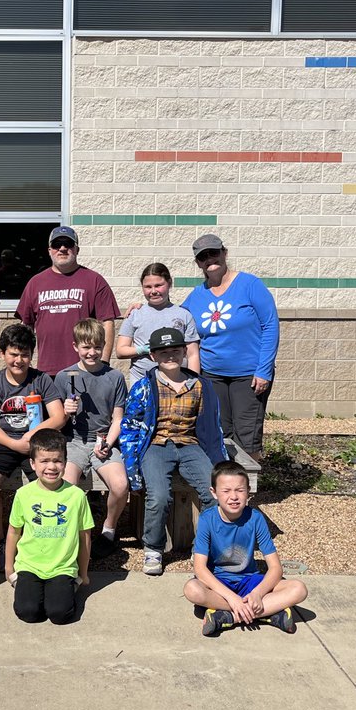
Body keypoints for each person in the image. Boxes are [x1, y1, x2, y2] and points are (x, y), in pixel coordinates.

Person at [119, 327, 227, 577]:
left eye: (176, 351)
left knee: (214, 493)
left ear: (184, 352)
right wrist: (133, 468)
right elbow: (130, 427)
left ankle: (204, 546)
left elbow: (213, 427)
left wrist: (221, 462)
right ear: (154, 356)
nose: (170, 356)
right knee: (158, 496)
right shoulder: (144, 387)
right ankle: (153, 548)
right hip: (156, 446)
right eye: (163, 352)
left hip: (190, 445)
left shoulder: (201, 386)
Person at [181, 234, 279, 462]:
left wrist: (263, 370)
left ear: (224, 253)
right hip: (212, 375)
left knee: (247, 435)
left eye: (214, 253)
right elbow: (176, 317)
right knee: (220, 433)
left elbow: (270, 325)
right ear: (198, 263)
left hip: (249, 376)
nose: (210, 259)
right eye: (203, 257)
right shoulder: (197, 295)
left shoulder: (249, 285)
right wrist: (144, 307)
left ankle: (246, 489)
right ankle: (226, 488)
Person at [0, 323, 67, 569]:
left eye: (24, 354)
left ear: (31, 355)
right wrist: (15, 444)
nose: (19, 360)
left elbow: (58, 417)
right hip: (4, 442)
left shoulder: (41, 380)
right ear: (3, 353)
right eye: (13, 354)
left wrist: (32, 434)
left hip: (37, 442)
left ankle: (45, 539)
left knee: (52, 484)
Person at [184, 461, 308, 636]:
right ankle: (267, 613)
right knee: (192, 589)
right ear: (214, 493)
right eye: (226, 491)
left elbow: (275, 568)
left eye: (240, 490)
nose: (233, 496)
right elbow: (200, 568)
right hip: (219, 583)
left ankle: (228, 617)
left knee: (299, 589)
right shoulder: (207, 519)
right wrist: (232, 598)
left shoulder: (256, 519)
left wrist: (258, 593)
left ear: (248, 492)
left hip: (249, 581)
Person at [56, 319, 129, 561]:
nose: (92, 352)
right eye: (86, 347)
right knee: (67, 487)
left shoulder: (115, 377)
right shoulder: (64, 377)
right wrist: (65, 412)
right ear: (75, 346)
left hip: (103, 439)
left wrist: (108, 442)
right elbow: (56, 421)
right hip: (73, 441)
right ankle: (72, 534)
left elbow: (118, 418)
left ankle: (108, 530)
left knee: (120, 486)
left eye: (97, 347)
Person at [4, 428, 92, 625]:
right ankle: (28, 586)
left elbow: (84, 535)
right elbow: (13, 531)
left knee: (59, 614)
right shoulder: (23, 494)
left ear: (65, 462)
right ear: (32, 463)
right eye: (44, 461)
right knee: (28, 612)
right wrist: (9, 567)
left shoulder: (76, 496)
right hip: (30, 565)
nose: (51, 467)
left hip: (62, 566)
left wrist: (83, 574)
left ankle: (68, 587)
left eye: (58, 460)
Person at [15, 225, 121, 374]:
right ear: (49, 250)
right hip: (46, 371)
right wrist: (23, 361)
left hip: (86, 369)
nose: (62, 248)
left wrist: (103, 362)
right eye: (57, 244)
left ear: (77, 250)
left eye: (68, 244)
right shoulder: (35, 283)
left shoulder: (95, 281)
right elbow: (25, 326)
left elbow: (107, 323)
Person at [116, 263, 200, 383]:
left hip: (178, 381)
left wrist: (193, 383)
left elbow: (193, 355)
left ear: (169, 284)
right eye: (148, 287)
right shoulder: (135, 314)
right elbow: (120, 351)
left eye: (158, 285)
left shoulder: (184, 315)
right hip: (143, 380)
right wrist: (143, 349)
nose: (153, 291)